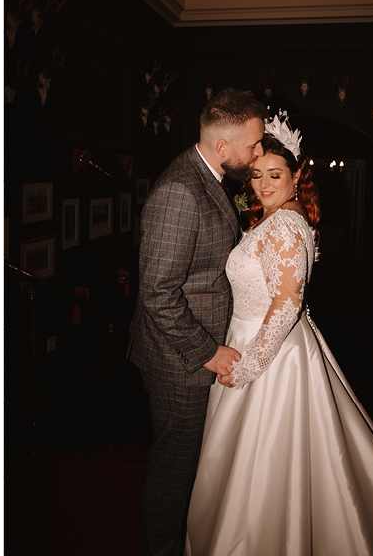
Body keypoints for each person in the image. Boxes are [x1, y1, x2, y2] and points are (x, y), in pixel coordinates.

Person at [185, 114, 373, 555]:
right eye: (256, 174)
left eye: (275, 175)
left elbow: (286, 305)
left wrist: (248, 367)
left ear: (297, 176)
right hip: (258, 343)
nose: (262, 184)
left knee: (265, 464)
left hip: (268, 358)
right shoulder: (278, 216)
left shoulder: (285, 225)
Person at [128, 88, 268, 556]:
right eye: (252, 145)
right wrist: (207, 352)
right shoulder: (179, 191)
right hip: (178, 362)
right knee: (174, 470)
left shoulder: (210, 176)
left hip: (194, 352)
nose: (258, 153)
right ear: (222, 146)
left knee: (189, 466)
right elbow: (157, 293)